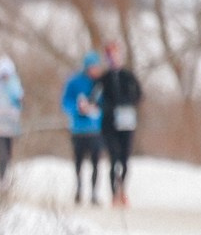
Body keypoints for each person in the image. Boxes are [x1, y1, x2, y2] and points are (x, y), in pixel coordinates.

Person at [95, 41, 143, 208]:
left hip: (126, 123)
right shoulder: (104, 79)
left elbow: (138, 95)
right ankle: (114, 192)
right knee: (113, 158)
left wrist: (127, 104)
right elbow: (95, 98)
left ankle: (123, 189)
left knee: (124, 160)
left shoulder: (128, 76)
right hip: (109, 124)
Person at [61, 52, 105, 205]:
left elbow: (106, 102)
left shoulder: (100, 84)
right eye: (93, 66)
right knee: (78, 162)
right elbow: (65, 102)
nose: (96, 69)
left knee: (96, 163)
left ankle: (94, 193)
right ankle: (79, 190)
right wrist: (78, 108)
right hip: (78, 129)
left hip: (96, 130)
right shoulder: (74, 82)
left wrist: (97, 108)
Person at [0, 58, 20, 188]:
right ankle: (1, 179)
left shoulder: (15, 87)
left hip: (9, 128)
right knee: (1, 154)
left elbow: (19, 103)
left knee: (7, 155)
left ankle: (4, 180)